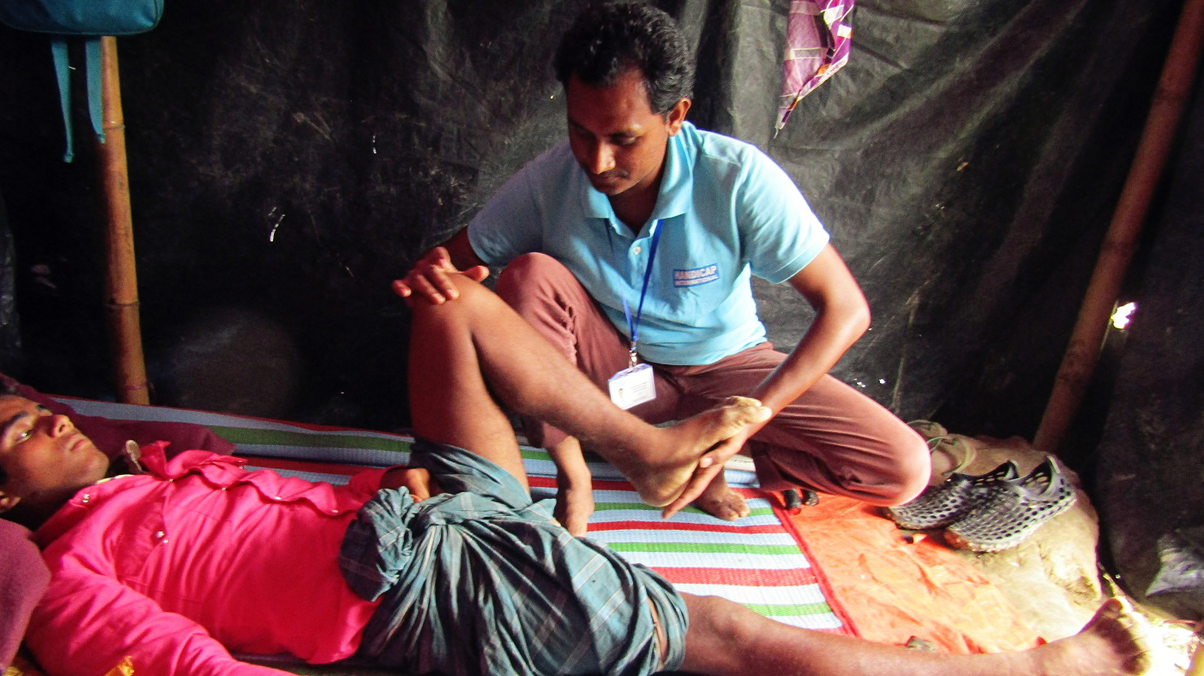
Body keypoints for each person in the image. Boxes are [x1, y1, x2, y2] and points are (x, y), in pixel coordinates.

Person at [0, 274, 1150, 676]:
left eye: (41, 402)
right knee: (719, 635)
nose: (53, 417)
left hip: (431, 515)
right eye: (22, 430)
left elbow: (267, 510)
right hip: (433, 585)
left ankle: (636, 450)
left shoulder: (152, 462)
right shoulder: (63, 588)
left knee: (452, 300)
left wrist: (400, 485)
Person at [393, 1, 931, 536]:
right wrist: (437, 276)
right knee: (530, 275)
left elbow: (846, 310)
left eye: (623, 138)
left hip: (727, 368)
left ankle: (709, 456)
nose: (597, 161)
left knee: (902, 469)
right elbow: (453, 259)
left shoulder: (736, 178)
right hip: (611, 370)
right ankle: (577, 474)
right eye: (581, 132)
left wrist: (752, 419)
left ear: (675, 116)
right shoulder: (550, 179)